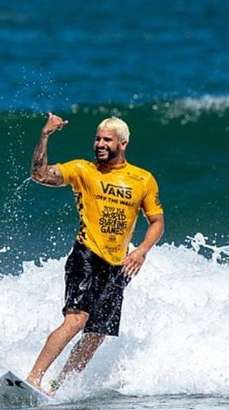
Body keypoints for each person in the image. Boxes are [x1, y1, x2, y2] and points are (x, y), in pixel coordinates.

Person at [26, 112, 165, 393]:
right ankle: (33, 378)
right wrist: (44, 136)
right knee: (76, 319)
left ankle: (58, 387)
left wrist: (142, 251)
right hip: (86, 254)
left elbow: (157, 221)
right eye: (97, 138)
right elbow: (39, 174)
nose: (100, 144)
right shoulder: (82, 170)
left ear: (122, 143)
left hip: (119, 264)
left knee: (97, 333)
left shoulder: (143, 179)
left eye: (107, 140)